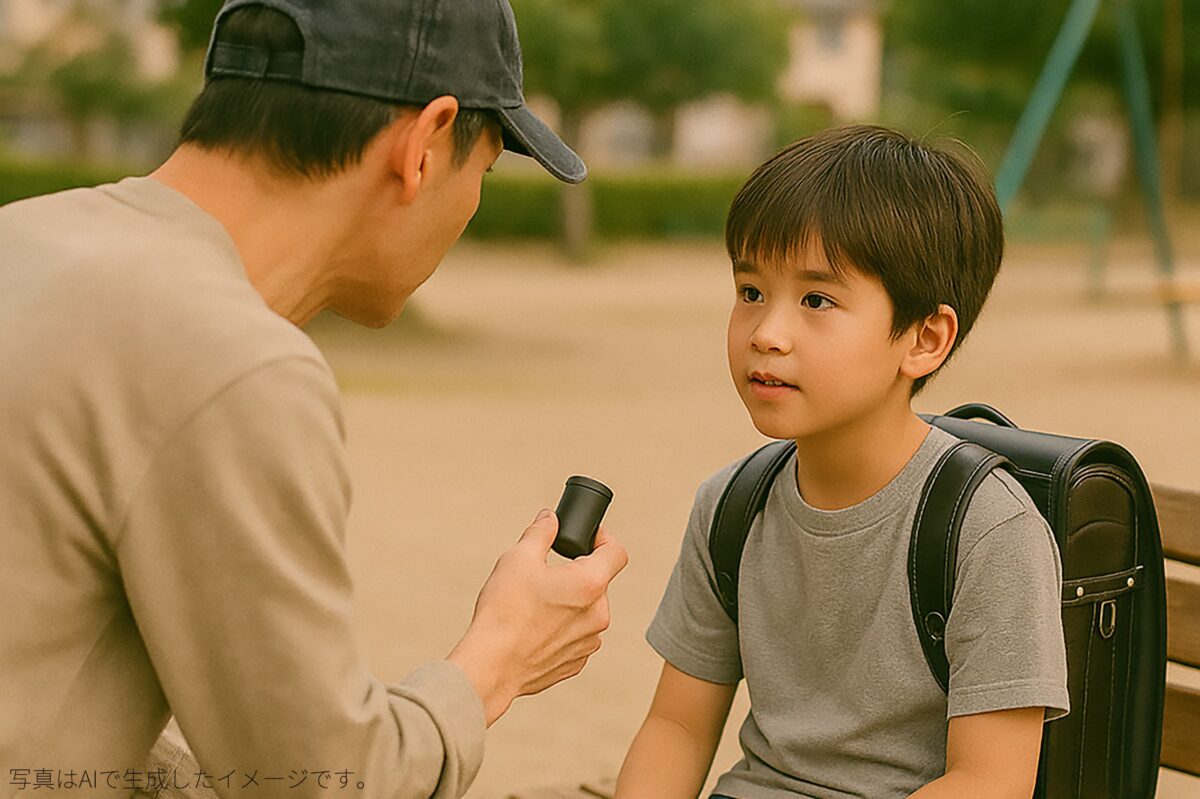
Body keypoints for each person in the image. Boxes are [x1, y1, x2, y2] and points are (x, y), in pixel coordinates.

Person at [0, 1, 627, 797]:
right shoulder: (231, 361)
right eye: (488, 167)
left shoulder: (23, 237)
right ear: (426, 144)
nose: (472, 205)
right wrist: (501, 652)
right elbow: (316, 782)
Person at [614, 126, 1069, 799]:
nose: (766, 332)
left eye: (816, 300)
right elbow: (676, 727)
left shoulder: (989, 531)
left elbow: (989, 780)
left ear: (924, 339)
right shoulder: (733, 504)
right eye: (750, 291)